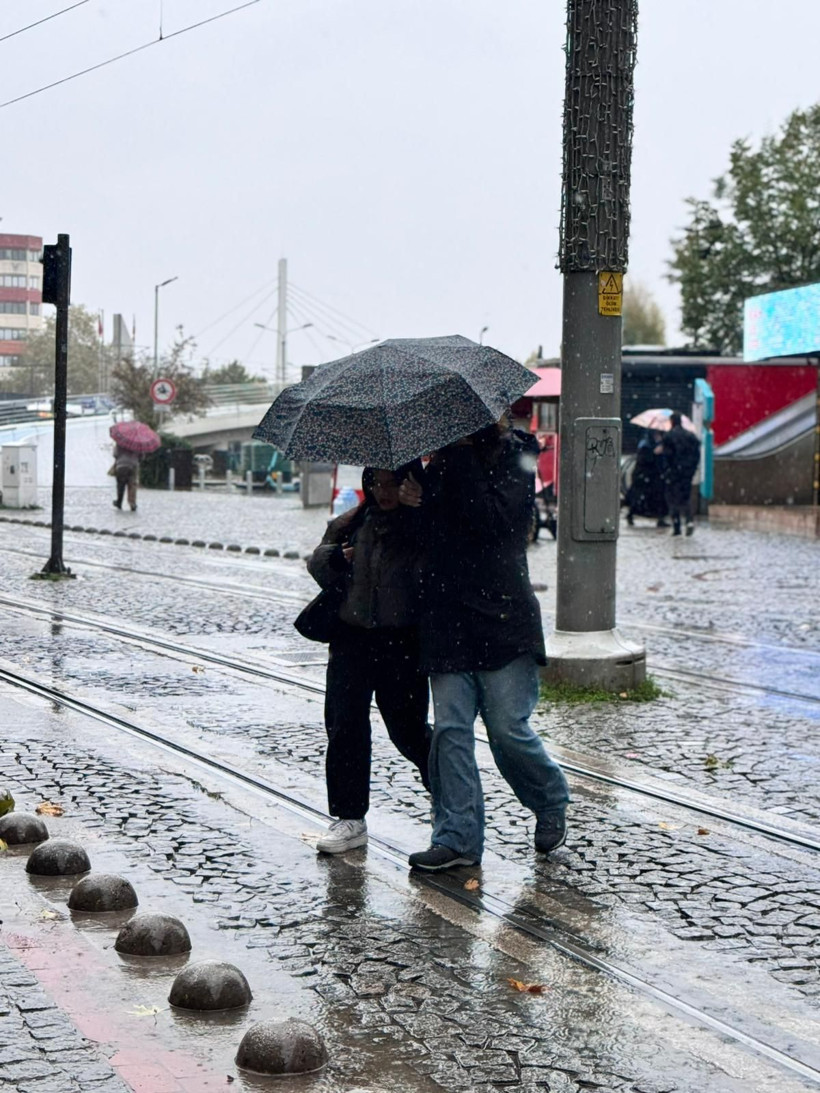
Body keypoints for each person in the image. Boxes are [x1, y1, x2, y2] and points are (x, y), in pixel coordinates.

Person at [400, 422, 570, 872]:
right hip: (445, 616)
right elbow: (425, 541)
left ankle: (549, 797)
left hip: (502, 616)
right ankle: (457, 837)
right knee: (451, 732)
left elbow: (494, 522)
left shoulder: (515, 455)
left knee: (507, 730)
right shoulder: (431, 467)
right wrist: (408, 504)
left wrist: (458, 457)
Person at [307, 465, 432, 854]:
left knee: (408, 730)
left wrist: (421, 512)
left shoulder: (422, 521)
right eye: (377, 482)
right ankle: (349, 816)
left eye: (393, 482)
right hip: (351, 638)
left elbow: (443, 561)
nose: (385, 491)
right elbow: (318, 563)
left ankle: (449, 796)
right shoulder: (354, 520)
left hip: (401, 641)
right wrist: (334, 558)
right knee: (344, 725)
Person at [658, 413, 701, 537]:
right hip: (686, 473)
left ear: (672, 421)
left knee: (672, 499)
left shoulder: (668, 436)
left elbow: (667, 457)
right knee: (685, 497)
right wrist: (691, 469)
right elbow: (696, 454)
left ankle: (677, 526)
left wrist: (666, 470)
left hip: (673, 473)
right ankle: (689, 520)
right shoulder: (691, 436)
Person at [625, 430, 669, 527]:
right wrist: (654, 453)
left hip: (655, 476)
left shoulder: (659, 444)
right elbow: (643, 460)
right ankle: (631, 514)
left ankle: (660, 518)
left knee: (659, 497)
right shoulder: (645, 445)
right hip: (644, 476)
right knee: (639, 497)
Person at [112, 444, 140, 511]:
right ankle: (132, 503)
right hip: (133, 465)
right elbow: (141, 455)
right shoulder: (137, 443)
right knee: (132, 485)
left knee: (121, 485)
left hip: (121, 465)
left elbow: (115, 454)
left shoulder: (120, 443)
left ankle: (119, 502)